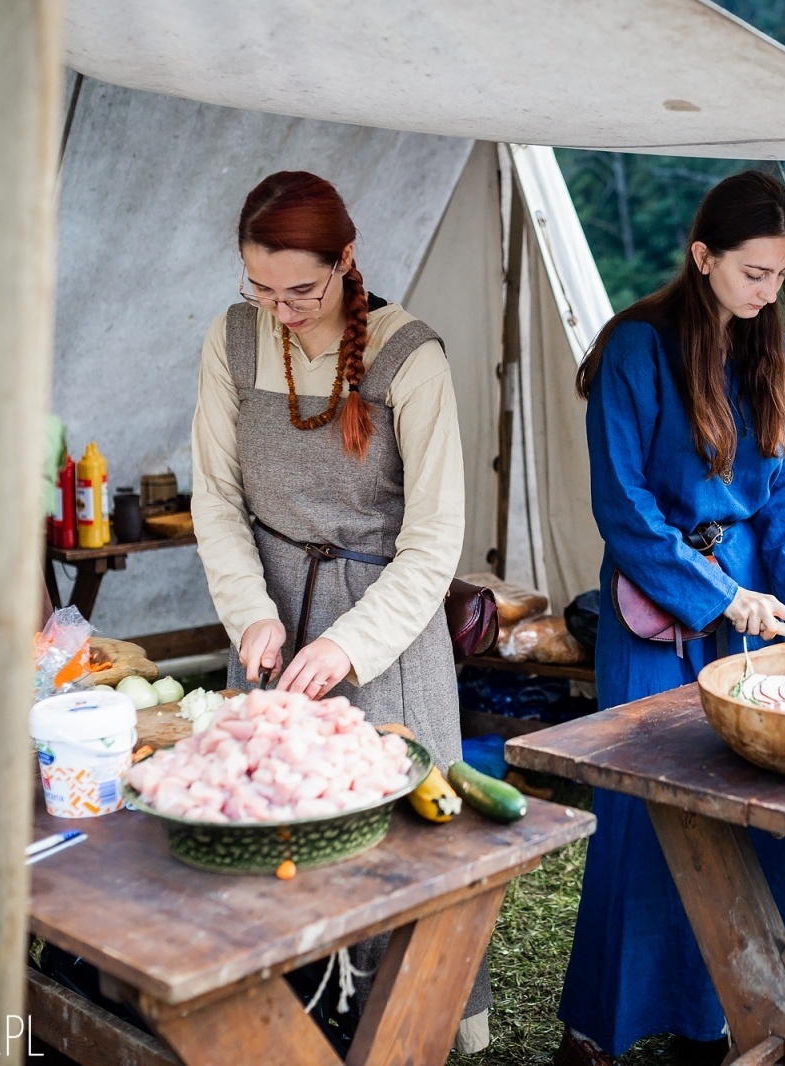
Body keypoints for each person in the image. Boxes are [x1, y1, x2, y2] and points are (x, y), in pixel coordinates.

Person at [556, 171, 785, 1066]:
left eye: (780, 275)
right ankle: (608, 1025)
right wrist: (722, 595)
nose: (769, 292)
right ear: (703, 257)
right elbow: (623, 508)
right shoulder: (634, 347)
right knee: (649, 812)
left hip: (758, 608)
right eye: (753, 273)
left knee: (763, 809)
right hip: (662, 606)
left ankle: (751, 1015)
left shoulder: (774, 350)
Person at [189, 171, 484, 1050]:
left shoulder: (410, 358)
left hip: (384, 626)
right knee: (278, 828)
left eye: (302, 291)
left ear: (346, 260)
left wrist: (351, 646)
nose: (280, 310)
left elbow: (434, 543)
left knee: (397, 847)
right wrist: (250, 610)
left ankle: (408, 1028)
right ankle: (290, 1023)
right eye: (260, 290)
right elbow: (215, 498)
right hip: (274, 615)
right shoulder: (231, 341)